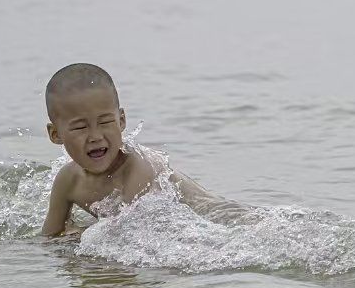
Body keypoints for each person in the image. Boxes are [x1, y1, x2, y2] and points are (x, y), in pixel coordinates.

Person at [41, 62, 236, 237]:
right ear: (55, 134)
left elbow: (128, 237)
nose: (96, 136)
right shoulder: (68, 180)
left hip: (218, 218)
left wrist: (83, 236)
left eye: (106, 122)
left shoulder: (138, 169)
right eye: (80, 127)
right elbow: (50, 237)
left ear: (122, 120)